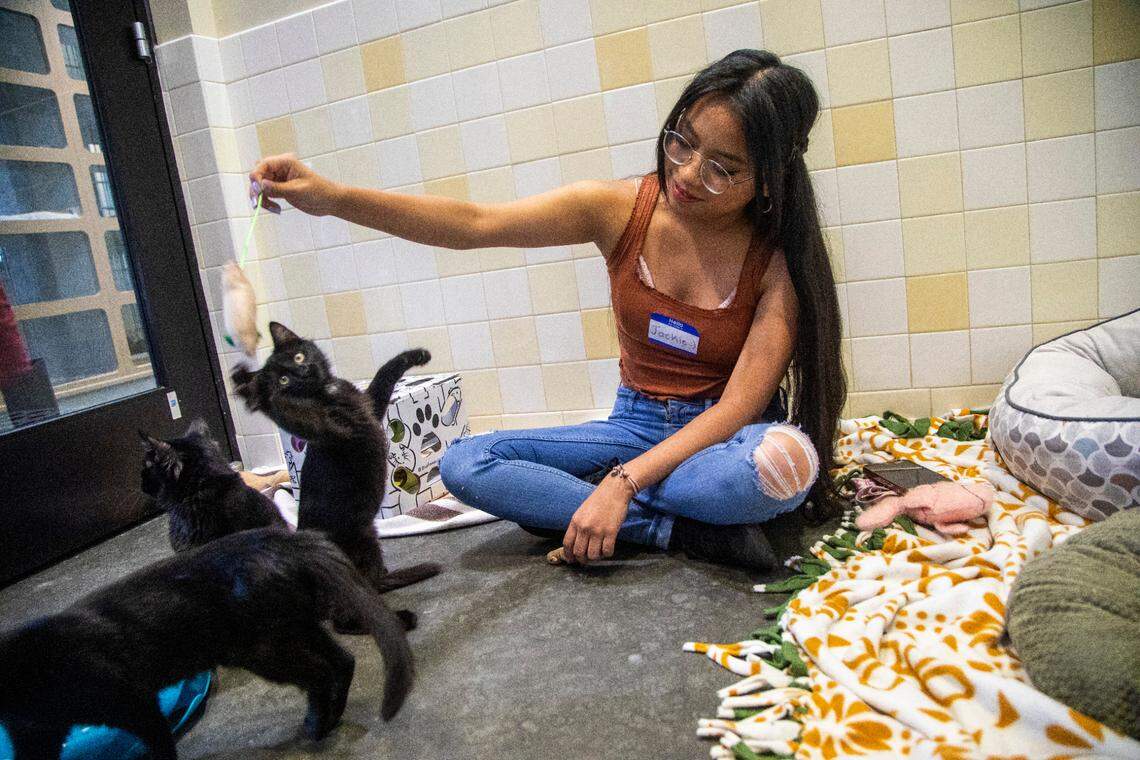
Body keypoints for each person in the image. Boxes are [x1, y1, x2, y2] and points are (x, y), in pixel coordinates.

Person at [248, 49, 846, 571]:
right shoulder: (617, 209)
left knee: (777, 467)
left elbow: (741, 405)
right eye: (682, 141)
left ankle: (598, 504)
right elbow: (475, 224)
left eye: (723, 168)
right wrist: (334, 199)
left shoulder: (776, 263)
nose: (686, 173)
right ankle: (674, 528)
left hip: (717, 438)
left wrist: (623, 483)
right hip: (631, 427)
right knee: (465, 463)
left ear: (767, 180)